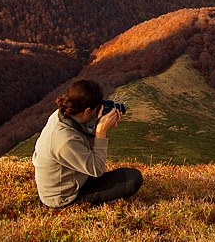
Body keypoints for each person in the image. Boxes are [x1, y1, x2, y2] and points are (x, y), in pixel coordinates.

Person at [32, 79, 143, 207]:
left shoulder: (61, 115)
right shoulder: (65, 141)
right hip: (65, 197)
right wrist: (101, 132)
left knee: (123, 176)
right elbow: (96, 169)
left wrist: (96, 125)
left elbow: (80, 138)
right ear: (87, 111)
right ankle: (81, 203)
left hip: (68, 180)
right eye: (95, 110)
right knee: (132, 178)